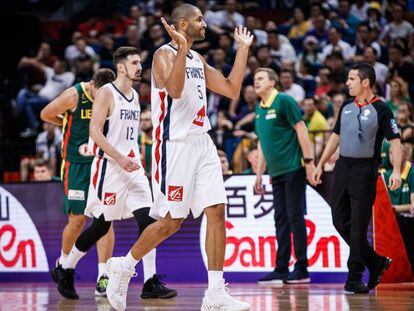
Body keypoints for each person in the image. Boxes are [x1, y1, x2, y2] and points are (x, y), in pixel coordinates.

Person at [105, 5, 253, 311]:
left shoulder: (198, 58)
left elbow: (232, 89)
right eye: (199, 19)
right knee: (171, 222)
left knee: (216, 210)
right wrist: (183, 50)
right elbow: (174, 90)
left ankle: (214, 293)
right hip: (174, 146)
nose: (204, 24)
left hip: (203, 143)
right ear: (182, 24)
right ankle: (124, 265)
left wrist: (242, 50)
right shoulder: (164, 54)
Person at [49, 48, 176, 300]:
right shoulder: (106, 93)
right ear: (121, 67)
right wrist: (119, 157)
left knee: (149, 222)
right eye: (134, 63)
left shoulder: (135, 95)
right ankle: (66, 268)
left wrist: (133, 158)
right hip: (109, 169)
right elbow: (95, 132)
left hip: (133, 170)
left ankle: (149, 282)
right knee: (100, 226)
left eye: (140, 62)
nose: (140, 67)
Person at [311, 63, 402, 293]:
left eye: (352, 79)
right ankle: (375, 261)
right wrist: (321, 164)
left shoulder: (382, 109)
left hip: (365, 170)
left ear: (365, 82)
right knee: (339, 219)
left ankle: (354, 278)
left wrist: (398, 171)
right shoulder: (346, 106)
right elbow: (335, 137)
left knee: (358, 226)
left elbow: (396, 142)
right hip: (343, 167)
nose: (348, 83)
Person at [41, 68, 117, 297]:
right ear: (92, 86)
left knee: (106, 218)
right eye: (98, 94)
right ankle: (63, 265)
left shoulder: (112, 95)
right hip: (76, 165)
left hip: (101, 163)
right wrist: (65, 122)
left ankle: (103, 276)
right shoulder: (74, 95)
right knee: (78, 220)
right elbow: (46, 114)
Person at [253, 68, 315, 284]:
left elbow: (301, 129)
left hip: (293, 169)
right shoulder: (258, 109)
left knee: (294, 216)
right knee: (280, 219)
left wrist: (309, 162)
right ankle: (281, 268)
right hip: (275, 173)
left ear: (272, 82)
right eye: (254, 79)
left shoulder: (284, 101)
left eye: (260, 78)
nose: (256, 82)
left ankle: (302, 268)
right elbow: (262, 143)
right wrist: (259, 174)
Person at [384, 144, 414, 273]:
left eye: (395, 152)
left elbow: (413, 206)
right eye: (390, 153)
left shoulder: (412, 172)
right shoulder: (386, 175)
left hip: (408, 222)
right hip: (391, 222)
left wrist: (395, 209)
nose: (392, 157)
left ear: (404, 154)